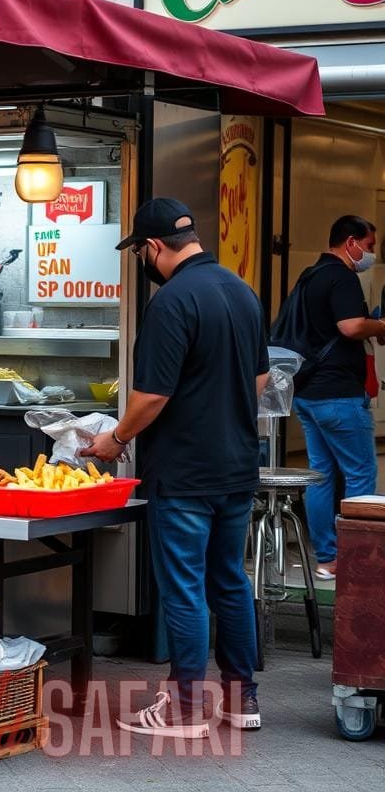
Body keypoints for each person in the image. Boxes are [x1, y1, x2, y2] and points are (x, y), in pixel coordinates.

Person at [81, 198, 268, 738]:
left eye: (140, 250)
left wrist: (115, 439)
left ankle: (184, 709)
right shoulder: (242, 292)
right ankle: (241, 699)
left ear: (154, 247)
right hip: (236, 465)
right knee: (229, 581)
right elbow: (259, 382)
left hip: (184, 471)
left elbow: (150, 396)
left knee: (184, 587)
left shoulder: (171, 302)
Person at [289, 215, 383, 581]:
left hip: (309, 393)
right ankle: (354, 559)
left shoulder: (309, 276)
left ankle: (327, 558)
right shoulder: (342, 277)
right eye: (369, 246)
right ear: (350, 242)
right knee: (360, 474)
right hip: (339, 395)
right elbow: (351, 326)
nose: (370, 254)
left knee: (321, 476)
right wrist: (380, 325)